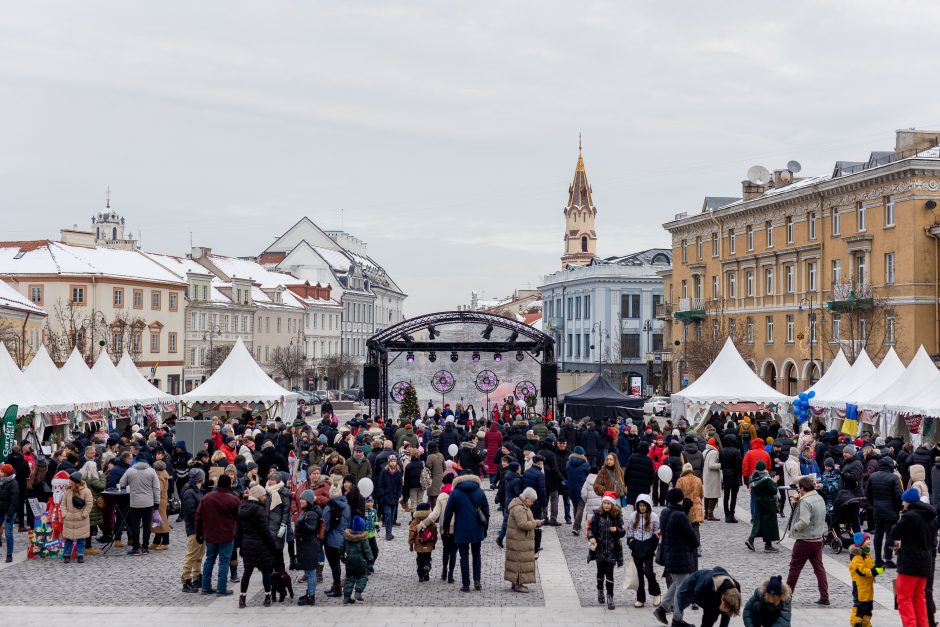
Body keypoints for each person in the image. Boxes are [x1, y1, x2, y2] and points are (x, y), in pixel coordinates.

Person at [654, 488, 700, 627]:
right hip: (680, 557)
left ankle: (662, 609)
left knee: (676, 584)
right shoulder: (679, 516)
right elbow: (693, 538)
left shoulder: (665, 512)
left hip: (670, 555)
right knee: (682, 588)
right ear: (680, 499)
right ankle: (677, 620)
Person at [892, 487, 937, 627]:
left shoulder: (910, 516)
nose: (902, 503)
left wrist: (901, 516)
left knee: (904, 598)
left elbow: (895, 533)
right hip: (925, 563)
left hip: (910, 563)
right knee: (919, 598)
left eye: (904, 501)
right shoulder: (929, 516)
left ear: (908, 501)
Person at [785, 476, 829, 605]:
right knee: (819, 568)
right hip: (818, 539)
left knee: (795, 568)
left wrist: (794, 527)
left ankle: (787, 595)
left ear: (803, 488)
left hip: (805, 540)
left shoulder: (806, 502)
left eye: (799, 488)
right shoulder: (819, 498)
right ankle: (824, 596)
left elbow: (804, 520)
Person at [443, 472, 489, 593]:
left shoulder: (455, 493)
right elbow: (486, 513)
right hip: (477, 528)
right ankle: (477, 581)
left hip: (461, 529)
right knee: (476, 554)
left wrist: (446, 529)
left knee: (464, 556)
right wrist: (485, 529)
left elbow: (448, 513)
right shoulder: (480, 492)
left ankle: (466, 585)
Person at [195, 473, 241, 595]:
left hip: (210, 534)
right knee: (224, 561)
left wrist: (199, 533)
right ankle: (221, 588)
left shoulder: (207, 498)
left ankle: (205, 587)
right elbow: (239, 517)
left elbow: (198, 517)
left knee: (209, 560)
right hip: (226, 535)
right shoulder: (233, 499)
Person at [237, 484, 278, 608]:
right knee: (266, 572)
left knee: (247, 572)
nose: (265, 497)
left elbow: (239, 530)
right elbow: (265, 531)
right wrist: (273, 544)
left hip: (247, 544)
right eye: (263, 495)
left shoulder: (242, 507)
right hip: (261, 546)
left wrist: (241, 546)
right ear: (258, 496)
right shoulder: (260, 510)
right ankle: (267, 597)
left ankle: (242, 598)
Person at [588, 491, 626, 610]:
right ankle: (600, 590)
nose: (606, 505)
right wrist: (591, 537)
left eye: (608, 503)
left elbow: (623, 532)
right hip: (599, 550)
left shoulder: (617, 515)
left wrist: (617, 530)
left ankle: (610, 596)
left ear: (612, 504)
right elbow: (590, 529)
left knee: (610, 573)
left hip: (612, 550)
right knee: (600, 573)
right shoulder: (597, 514)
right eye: (604, 503)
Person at [865, 455, 902, 569]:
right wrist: (897, 508)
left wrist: (874, 504)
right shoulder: (894, 478)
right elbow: (899, 496)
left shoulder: (873, 476)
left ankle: (878, 559)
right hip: (891, 511)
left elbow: (868, 494)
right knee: (890, 535)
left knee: (878, 535)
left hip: (877, 510)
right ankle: (888, 558)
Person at [118, 458, 161, 556]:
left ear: (136, 462)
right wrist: (157, 502)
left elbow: (122, 483)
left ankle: (136, 547)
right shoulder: (151, 471)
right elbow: (156, 488)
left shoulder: (130, 470)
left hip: (135, 503)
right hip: (149, 503)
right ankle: (145, 547)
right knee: (147, 526)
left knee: (135, 526)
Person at [674, 566, 742, 627]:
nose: (727, 611)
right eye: (725, 607)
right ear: (722, 598)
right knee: (710, 617)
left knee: (721, 613)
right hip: (694, 586)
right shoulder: (707, 587)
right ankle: (676, 621)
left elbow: (727, 615)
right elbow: (708, 613)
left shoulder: (735, 590)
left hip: (716, 592)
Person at [626, 493, 661, 608]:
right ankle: (640, 598)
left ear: (648, 506)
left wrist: (652, 545)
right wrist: (632, 543)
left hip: (648, 548)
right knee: (639, 574)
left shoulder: (654, 517)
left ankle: (656, 593)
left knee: (649, 572)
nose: (642, 508)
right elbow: (629, 532)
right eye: (640, 505)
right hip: (637, 548)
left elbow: (657, 532)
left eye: (644, 505)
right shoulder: (632, 516)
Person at [504, 487, 541, 593]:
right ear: (526, 498)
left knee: (517, 561)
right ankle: (518, 584)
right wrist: (535, 523)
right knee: (519, 562)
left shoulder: (522, 505)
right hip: (518, 541)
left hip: (519, 540)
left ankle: (516, 582)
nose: (532, 503)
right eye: (532, 501)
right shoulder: (520, 508)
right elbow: (523, 524)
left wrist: (533, 521)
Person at [322, 479, 352, 598]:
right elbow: (348, 521)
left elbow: (326, 525)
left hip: (331, 540)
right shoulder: (347, 505)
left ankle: (337, 588)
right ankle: (336, 586)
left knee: (334, 565)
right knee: (337, 564)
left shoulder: (329, 507)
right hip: (343, 538)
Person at [295, 489, 323, 606]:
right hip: (306, 545)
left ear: (309, 501)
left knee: (311, 572)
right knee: (308, 571)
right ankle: (308, 593)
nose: (301, 501)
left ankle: (311, 596)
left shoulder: (311, 514)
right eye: (300, 498)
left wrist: (300, 523)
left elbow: (311, 528)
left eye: (303, 499)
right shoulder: (306, 511)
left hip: (310, 545)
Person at [745, 461, 780, 553]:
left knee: (759, 522)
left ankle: (751, 539)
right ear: (764, 468)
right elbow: (773, 491)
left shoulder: (753, 477)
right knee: (769, 523)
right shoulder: (766, 479)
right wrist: (775, 481)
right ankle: (768, 546)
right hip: (768, 503)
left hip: (758, 502)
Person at [180, 469, 205, 593]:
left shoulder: (196, 491)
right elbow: (191, 513)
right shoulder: (190, 492)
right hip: (194, 528)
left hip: (200, 528)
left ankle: (197, 576)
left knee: (199, 555)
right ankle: (186, 580)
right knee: (191, 555)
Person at [61, 472, 93, 564]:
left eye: (71, 481)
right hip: (69, 518)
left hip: (81, 519)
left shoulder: (86, 491)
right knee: (68, 539)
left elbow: (89, 504)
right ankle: (67, 555)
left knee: (81, 539)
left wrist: (84, 514)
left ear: (75, 482)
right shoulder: (68, 491)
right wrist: (64, 514)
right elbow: (63, 504)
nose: (69, 482)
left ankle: (80, 555)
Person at [340, 515, 373, 604]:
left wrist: (341, 556)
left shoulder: (347, 536)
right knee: (363, 577)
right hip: (360, 560)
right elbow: (367, 549)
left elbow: (342, 547)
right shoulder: (363, 537)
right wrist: (370, 558)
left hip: (349, 560)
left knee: (350, 578)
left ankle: (346, 597)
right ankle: (358, 592)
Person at [848, 533, 878, 627]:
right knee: (860, 605)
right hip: (859, 586)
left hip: (868, 587)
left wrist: (878, 569)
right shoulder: (857, 557)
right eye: (867, 540)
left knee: (868, 606)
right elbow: (861, 571)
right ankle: (856, 621)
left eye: (869, 539)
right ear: (860, 543)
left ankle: (865, 622)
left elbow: (871, 567)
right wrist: (873, 571)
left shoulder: (867, 555)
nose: (869, 541)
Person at [676, 463, 704, 552]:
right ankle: (697, 546)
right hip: (696, 506)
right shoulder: (698, 480)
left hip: (685, 507)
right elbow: (701, 494)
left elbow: (677, 495)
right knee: (695, 527)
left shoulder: (680, 481)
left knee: (684, 527)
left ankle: (686, 545)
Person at [408, 502, 437, 581]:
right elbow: (434, 532)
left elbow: (411, 532)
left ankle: (420, 575)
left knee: (420, 559)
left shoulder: (415, 521)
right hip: (429, 543)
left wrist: (411, 544)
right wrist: (434, 542)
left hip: (419, 545)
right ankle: (427, 567)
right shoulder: (430, 520)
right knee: (428, 557)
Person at [376, 455, 402, 541]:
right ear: (389, 462)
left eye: (394, 461)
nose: (393, 462)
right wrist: (383, 494)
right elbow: (380, 484)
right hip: (386, 497)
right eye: (391, 461)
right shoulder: (384, 472)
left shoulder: (398, 472)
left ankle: (390, 532)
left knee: (391, 516)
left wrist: (398, 494)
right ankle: (388, 533)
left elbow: (400, 485)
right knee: (387, 514)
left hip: (394, 497)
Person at [567, 446, 592, 533]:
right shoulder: (585, 464)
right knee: (580, 508)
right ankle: (576, 526)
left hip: (571, 488)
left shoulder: (568, 463)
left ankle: (576, 524)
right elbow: (589, 474)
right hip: (582, 488)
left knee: (575, 506)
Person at [719, 436, 742, 523]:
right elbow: (738, 466)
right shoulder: (736, 451)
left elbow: (721, 463)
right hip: (734, 475)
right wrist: (740, 477)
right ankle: (731, 514)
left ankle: (727, 515)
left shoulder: (722, 451)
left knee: (726, 496)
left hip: (725, 474)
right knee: (733, 496)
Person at [151, 460, 171, 550]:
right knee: (157, 521)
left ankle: (165, 542)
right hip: (162, 500)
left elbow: (158, 490)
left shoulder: (159, 477)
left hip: (159, 501)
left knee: (162, 521)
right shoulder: (164, 473)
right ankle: (156, 540)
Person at [0, 463, 18, 562]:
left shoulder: (13, 483)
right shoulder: (1, 482)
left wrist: (10, 515)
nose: (0, 473)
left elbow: (14, 500)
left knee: (8, 533)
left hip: (9, 511)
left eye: (2, 472)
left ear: (6, 473)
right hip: (1, 510)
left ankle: (9, 554)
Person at [702, 438, 722, 521]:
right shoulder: (713, 452)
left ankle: (706, 513)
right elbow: (711, 465)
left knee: (707, 495)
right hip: (712, 476)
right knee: (713, 496)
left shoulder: (705, 451)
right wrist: (720, 465)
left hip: (706, 475)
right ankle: (710, 514)